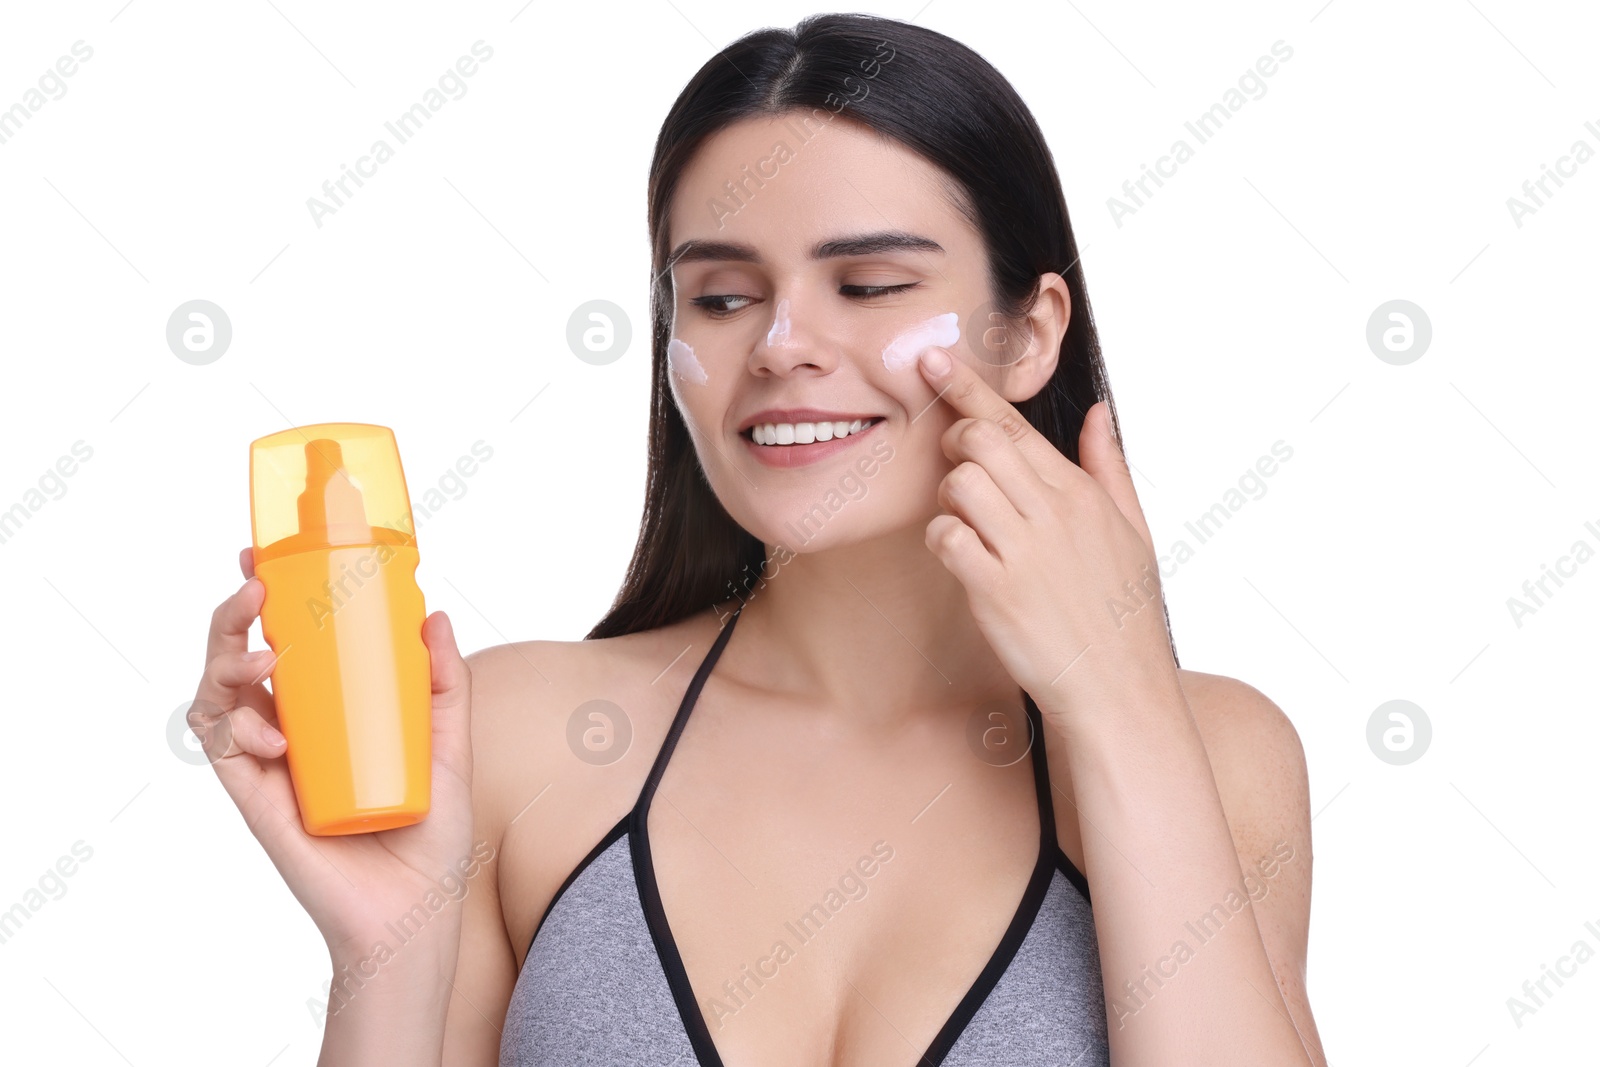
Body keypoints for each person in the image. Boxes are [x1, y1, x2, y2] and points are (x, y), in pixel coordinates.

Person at [193, 13, 1326, 1065]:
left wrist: (1119, 703)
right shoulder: (519, 742)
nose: (783, 342)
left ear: (1028, 334)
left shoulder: (1212, 751)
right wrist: (383, 953)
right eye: (724, 298)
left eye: (869, 282)